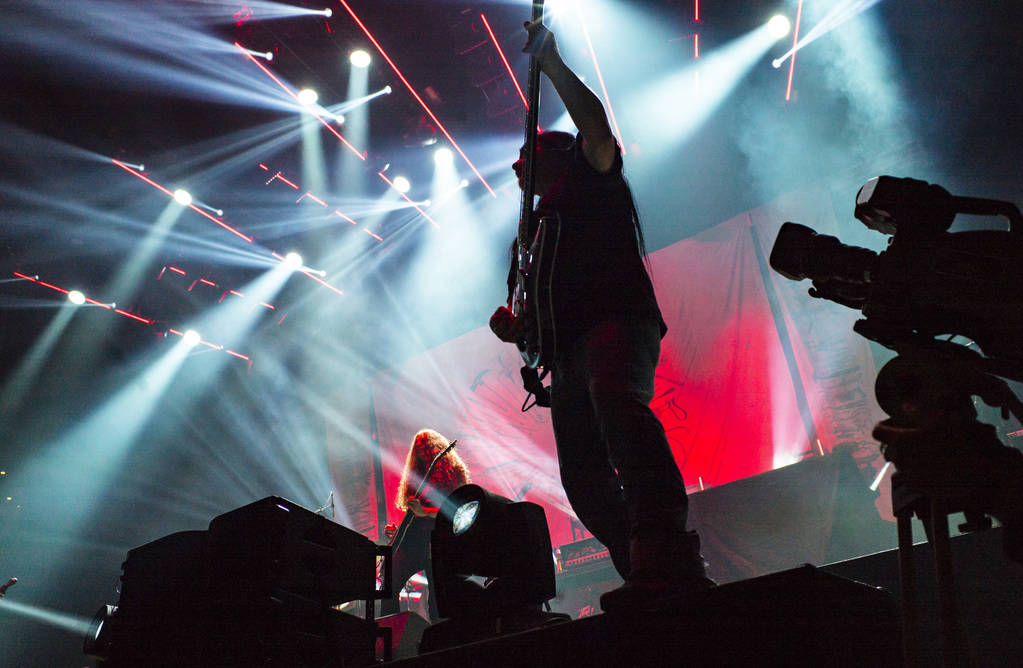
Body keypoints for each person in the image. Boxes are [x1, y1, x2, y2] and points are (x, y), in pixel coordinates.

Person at [489, 20, 713, 612]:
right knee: (582, 475)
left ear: (560, 154)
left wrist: (555, 66)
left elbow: (596, 127)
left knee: (620, 412)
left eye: (527, 153)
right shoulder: (533, 233)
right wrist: (521, 332)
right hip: (566, 353)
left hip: (615, 322)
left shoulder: (593, 178)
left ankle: (663, 544)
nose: (516, 166)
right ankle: (645, 559)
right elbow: (537, 319)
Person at [380, 428, 471, 621]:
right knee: (389, 581)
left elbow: (457, 512)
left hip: (438, 542)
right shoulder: (418, 476)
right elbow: (414, 516)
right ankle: (390, 632)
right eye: (418, 449)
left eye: (426, 447)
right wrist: (398, 533)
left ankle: (440, 636)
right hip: (414, 542)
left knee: (437, 598)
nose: (422, 453)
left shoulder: (454, 472)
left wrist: (426, 512)